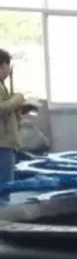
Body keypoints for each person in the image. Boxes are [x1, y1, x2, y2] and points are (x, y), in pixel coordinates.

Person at [0, 50, 25, 191]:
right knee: (5, 187)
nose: (9, 70)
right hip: (2, 144)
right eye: (8, 65)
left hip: (6, 143)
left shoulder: (2, 85)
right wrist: (17, 98)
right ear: (3, 64)